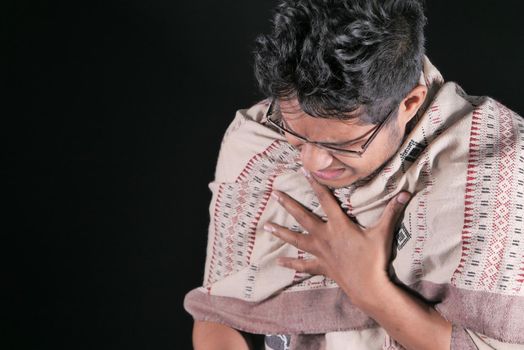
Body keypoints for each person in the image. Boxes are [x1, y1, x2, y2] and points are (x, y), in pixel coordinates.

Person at [184, 0, 524, 349]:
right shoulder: (258, 138)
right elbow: (216, 316)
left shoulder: (495, 165)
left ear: (409, 104)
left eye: (342, 143)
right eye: (296, 133)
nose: (312, 162)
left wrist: (368, 289)